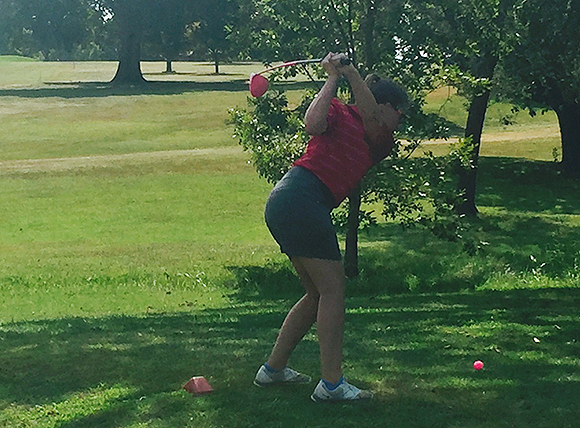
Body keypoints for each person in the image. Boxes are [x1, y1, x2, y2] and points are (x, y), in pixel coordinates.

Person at [253, 52, 408, 402]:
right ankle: (332, 384)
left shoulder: (380, 139)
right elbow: (312, 125)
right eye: (399, 113)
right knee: (333, 291)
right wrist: (332, 79)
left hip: (297, 202)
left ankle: (273, 369)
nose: (400, 121)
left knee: (316, 293)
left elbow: (370, 119)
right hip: (298, 196)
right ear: (385, 105)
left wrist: (352, 73)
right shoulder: (339, 111)